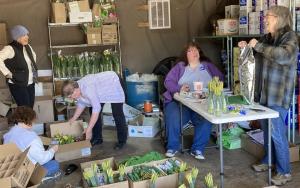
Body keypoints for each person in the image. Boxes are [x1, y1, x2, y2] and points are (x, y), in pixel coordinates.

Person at [238, 6, 298, 186]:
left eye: (268, 17)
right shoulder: (267, 38)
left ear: (279, 18)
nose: (265, 20)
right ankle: (268, 160)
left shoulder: (290, 37)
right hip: (263, 95)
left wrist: (258, 46)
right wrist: (246, 46)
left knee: (277, 134)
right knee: (267, 131)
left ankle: (284, 172)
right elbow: (257, 52)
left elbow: (283, 55)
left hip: (278, 96)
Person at [163, 42, 223, 159]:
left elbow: (220, 78)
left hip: (201, 103)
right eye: (190, 51)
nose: (194, 52)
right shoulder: (180, 67)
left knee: (207, 118)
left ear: (199, 53)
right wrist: (179, 88)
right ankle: (173, 146)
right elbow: (168, 82)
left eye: (196, 50)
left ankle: (197, 149)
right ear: (185, 55)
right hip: (180, 103)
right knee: (174, 116)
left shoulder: (207, 66)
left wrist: (212, 88)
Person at [61, 71, 127, 150]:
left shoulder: (87, 88)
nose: (73, 98)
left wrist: (88, 130)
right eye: (71, 97)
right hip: (101, 88)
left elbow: (97, 108)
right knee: (92, 110)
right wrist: (74, 118)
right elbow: (81, 103)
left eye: (73, 95)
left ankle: (122, 141)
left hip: (113, 82)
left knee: (117, 112)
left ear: (76, 88)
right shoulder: (76, 87)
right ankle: (97, 138)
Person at [3, 106, 60, 178]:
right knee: (54, 164)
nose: (34, 123)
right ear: (29, 121)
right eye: (33, 121)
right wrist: (53, 150)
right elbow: (42, 159)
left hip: (9, 169)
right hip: (25, 173)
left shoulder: (9, 133)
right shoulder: (33, 138)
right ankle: (36, 179)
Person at [0, 25, 38, 108]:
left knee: (30, 108)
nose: (27, 37)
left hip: (30, 83)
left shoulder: (28, 47)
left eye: (27, 35)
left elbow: (33, 58)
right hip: (18, 84)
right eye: (24, 35)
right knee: (24, 109)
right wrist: (8, 74)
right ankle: (24, 121)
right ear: (17, 37)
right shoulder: (10, 48)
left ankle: (28, 121)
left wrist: (31, 70)